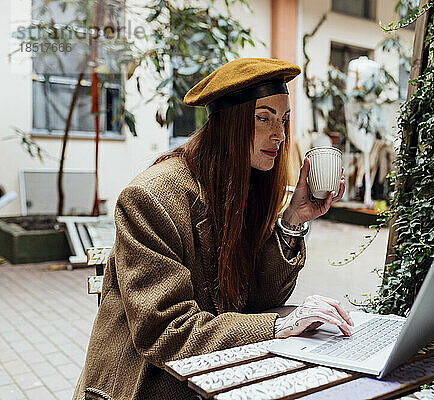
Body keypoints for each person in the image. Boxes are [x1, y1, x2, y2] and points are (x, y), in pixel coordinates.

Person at [73, 58, 353, 400]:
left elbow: (261, 298)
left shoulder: (246, 185)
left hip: (217, 373)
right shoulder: (150, 197)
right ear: (229, 123)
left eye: (283, 120)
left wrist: (293, 219)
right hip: (150, 384)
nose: (279, 134)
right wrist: (279, 326)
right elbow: (167, 332)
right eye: (264, 118)